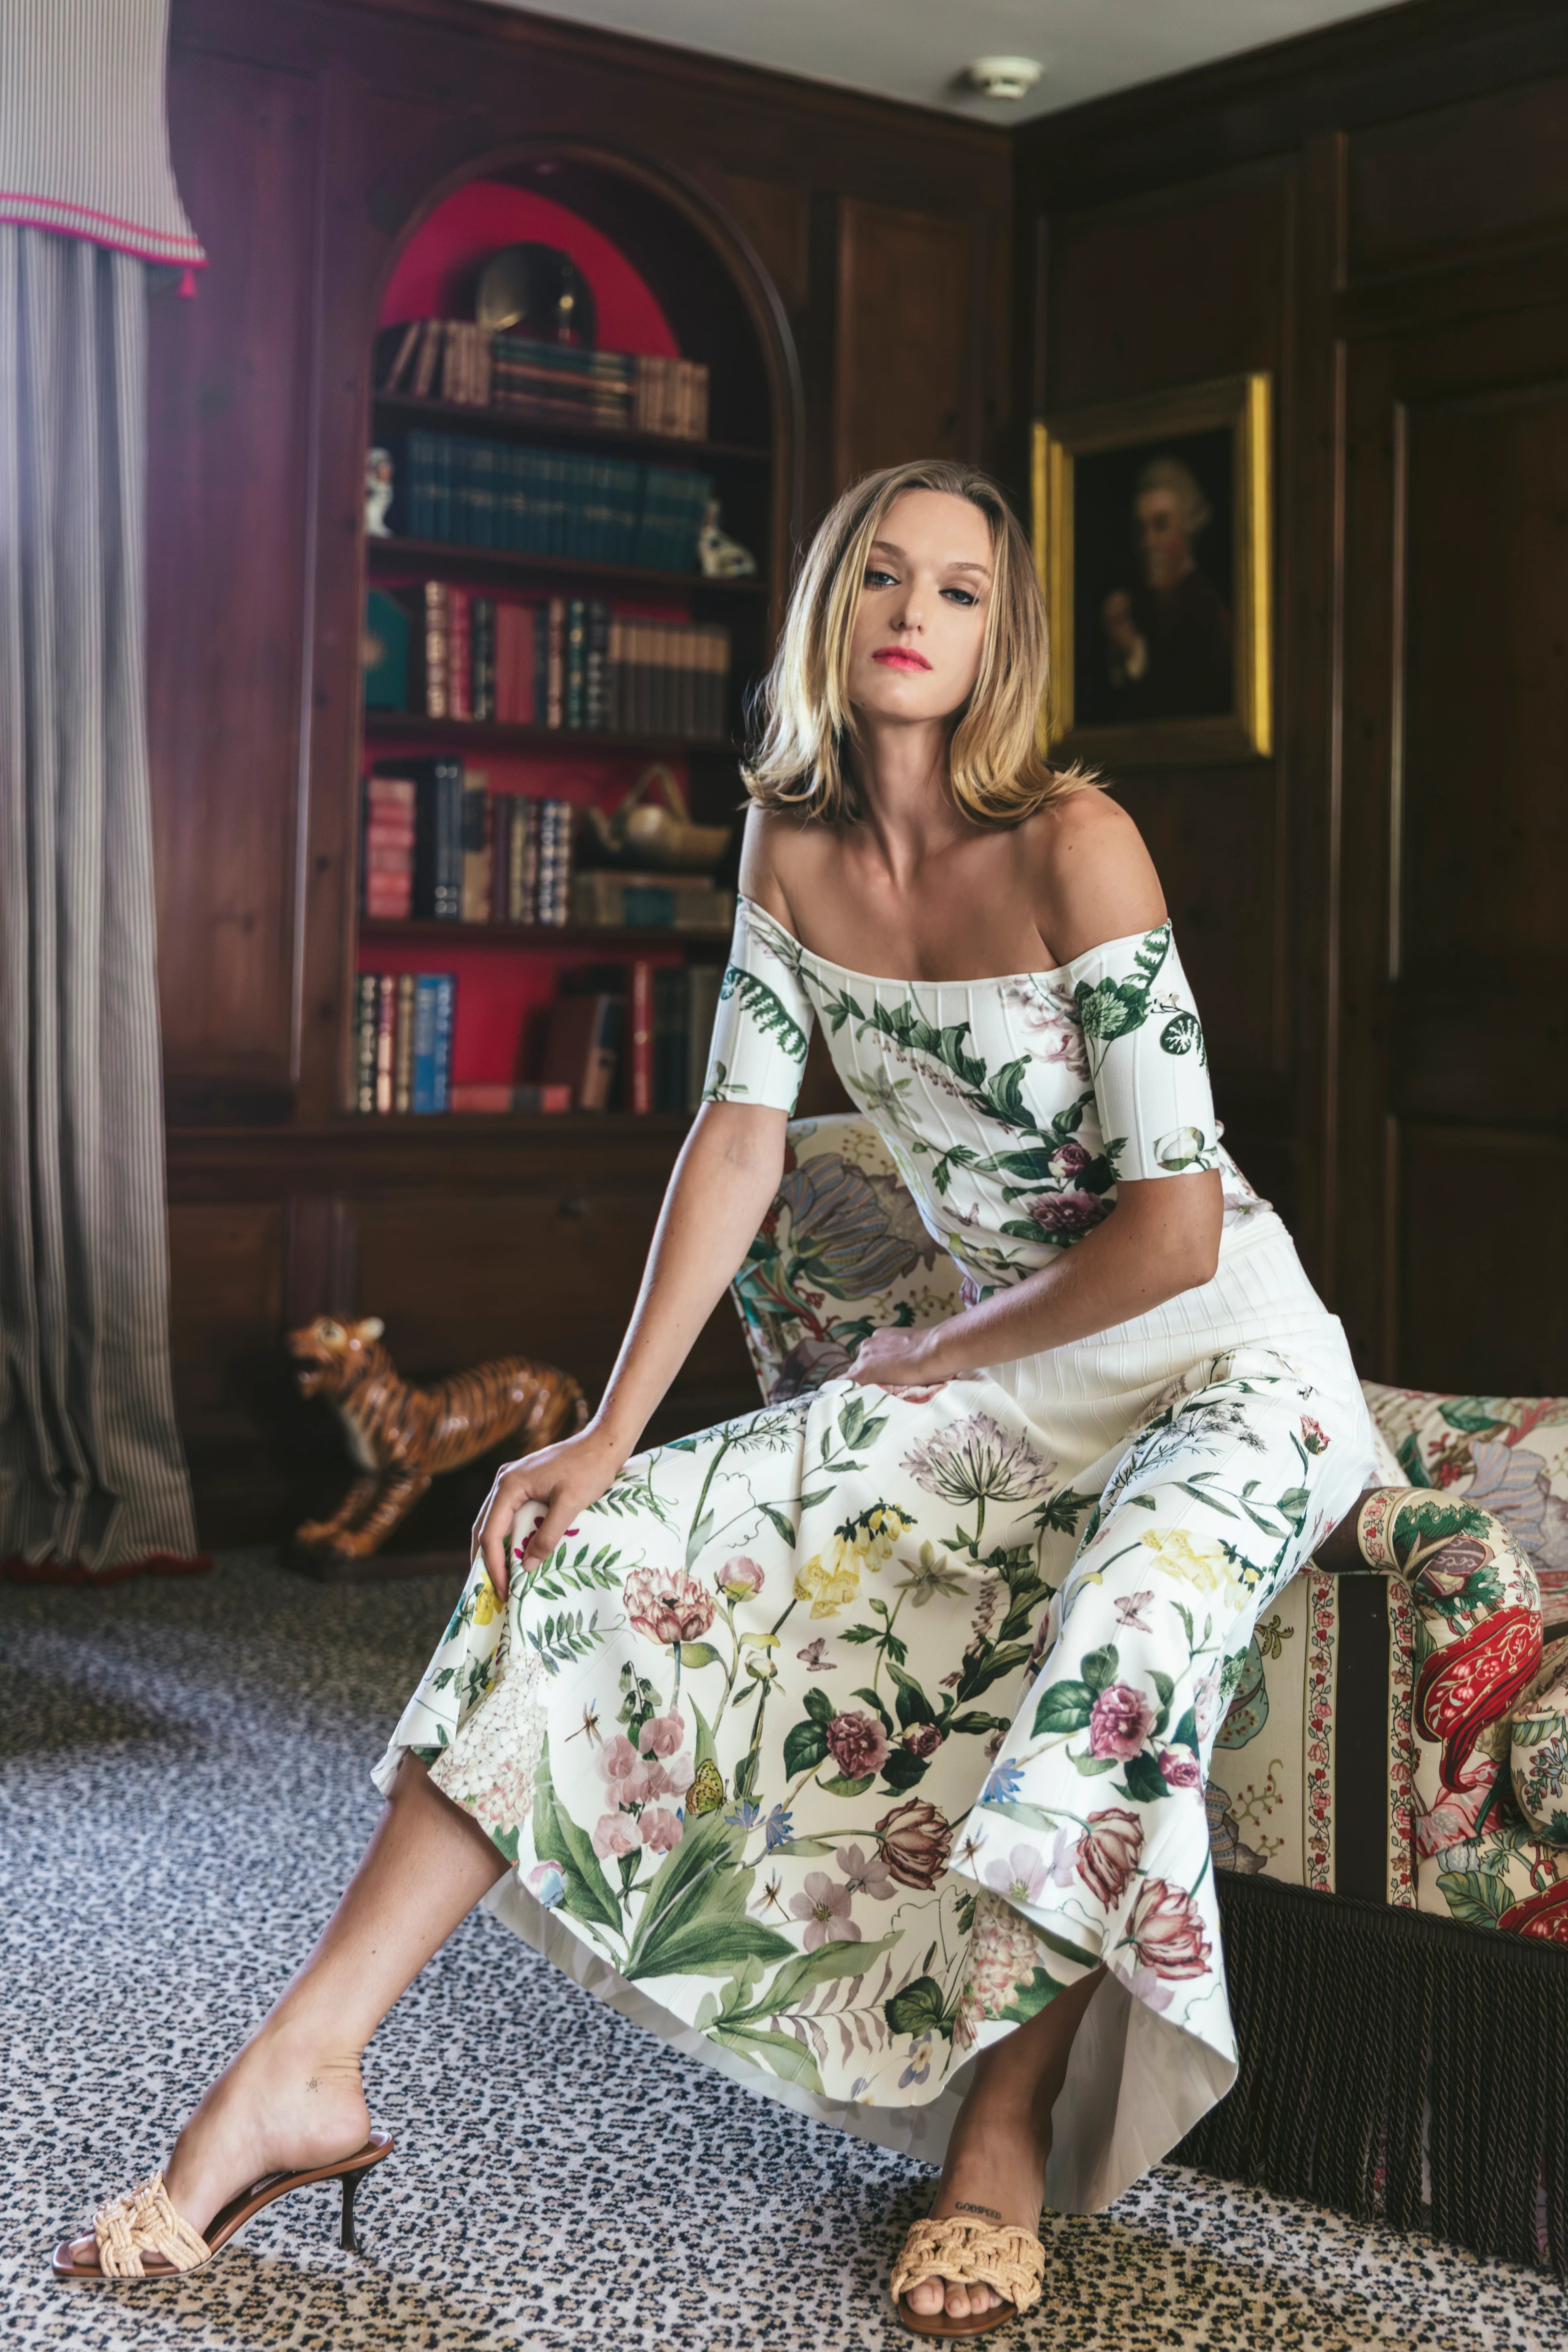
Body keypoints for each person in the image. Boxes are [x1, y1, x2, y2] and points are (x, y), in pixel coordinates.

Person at [58, 459, 1375, 2332]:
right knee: (587, 1554)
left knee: (1115, 1628)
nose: (919, 613)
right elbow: (738, 1142)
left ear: (1004, 640)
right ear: (830, 612)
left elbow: (1168, 1232)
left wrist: (921, 1355)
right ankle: (303, 2065)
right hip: (1006, 1360)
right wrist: (609, 1427)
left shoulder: (1077, 836)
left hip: (1220, 1356)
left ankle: (996, 2133)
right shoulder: (786, 843)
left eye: (967, 592)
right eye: (882, 579)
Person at [1099, 454, 1232, 720]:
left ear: (1187, 528)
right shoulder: (1138, 605)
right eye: (1141, 529)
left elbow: (1181, 707)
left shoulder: (1205, 608)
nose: (1148, 543)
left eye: (1161, 526)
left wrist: (1133, 652)